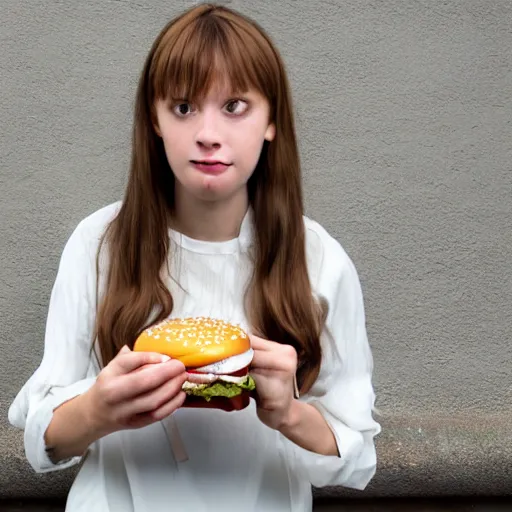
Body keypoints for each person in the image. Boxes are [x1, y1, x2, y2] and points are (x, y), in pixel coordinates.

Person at [8, 3, 381, 511]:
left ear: (272, 120)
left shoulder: (320, 260)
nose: (208, 133)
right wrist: (98, 408)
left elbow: (358, 457)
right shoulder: (99, 242)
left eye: (235, 106)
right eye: (183, 107)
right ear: (155, 121)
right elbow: (41, 440)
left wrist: (289, 412)